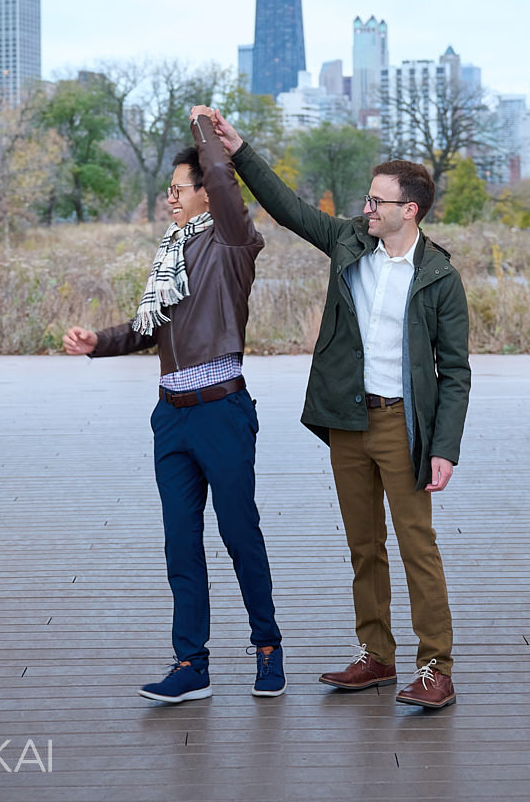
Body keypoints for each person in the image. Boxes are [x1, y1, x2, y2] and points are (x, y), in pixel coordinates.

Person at [211, 108, 470, 710]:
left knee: (417, 547)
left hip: (405, 426)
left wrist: (443, 447)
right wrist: (240, 148)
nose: (367, 208)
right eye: (367, 199)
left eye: (378, 201)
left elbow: (453, 372)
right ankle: (376, 657)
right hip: (350, 422)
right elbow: (287, 206)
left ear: (411, 210)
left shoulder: (439, 278)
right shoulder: (349, 242)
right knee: (364, 545)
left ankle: (436, 665)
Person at [63, 110, 284, 703]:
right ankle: (191, 664)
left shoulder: (235, 241)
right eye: (168, 192)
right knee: (180, 542)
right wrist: (97, 344)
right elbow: (145, 328)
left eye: (178, 190)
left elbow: (224, 178)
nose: (169, 200)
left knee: (240, 535)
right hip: (172, 416)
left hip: (222, 413)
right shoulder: (172, 254)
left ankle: (267, 649)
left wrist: (206, 134)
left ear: (207, 193)